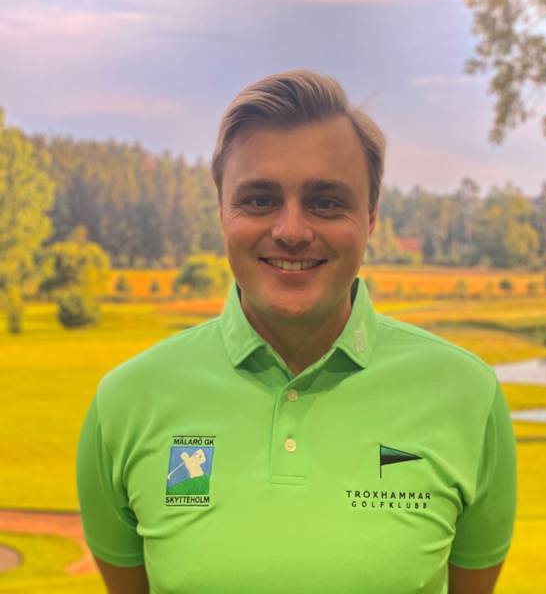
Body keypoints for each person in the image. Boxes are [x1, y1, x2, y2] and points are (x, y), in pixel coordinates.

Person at [77, 69, 517, 594]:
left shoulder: (466, 395)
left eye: (326, 202)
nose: (290, 231)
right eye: (260, 199)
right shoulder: (126, 403)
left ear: (371, 217)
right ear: (222, 212)